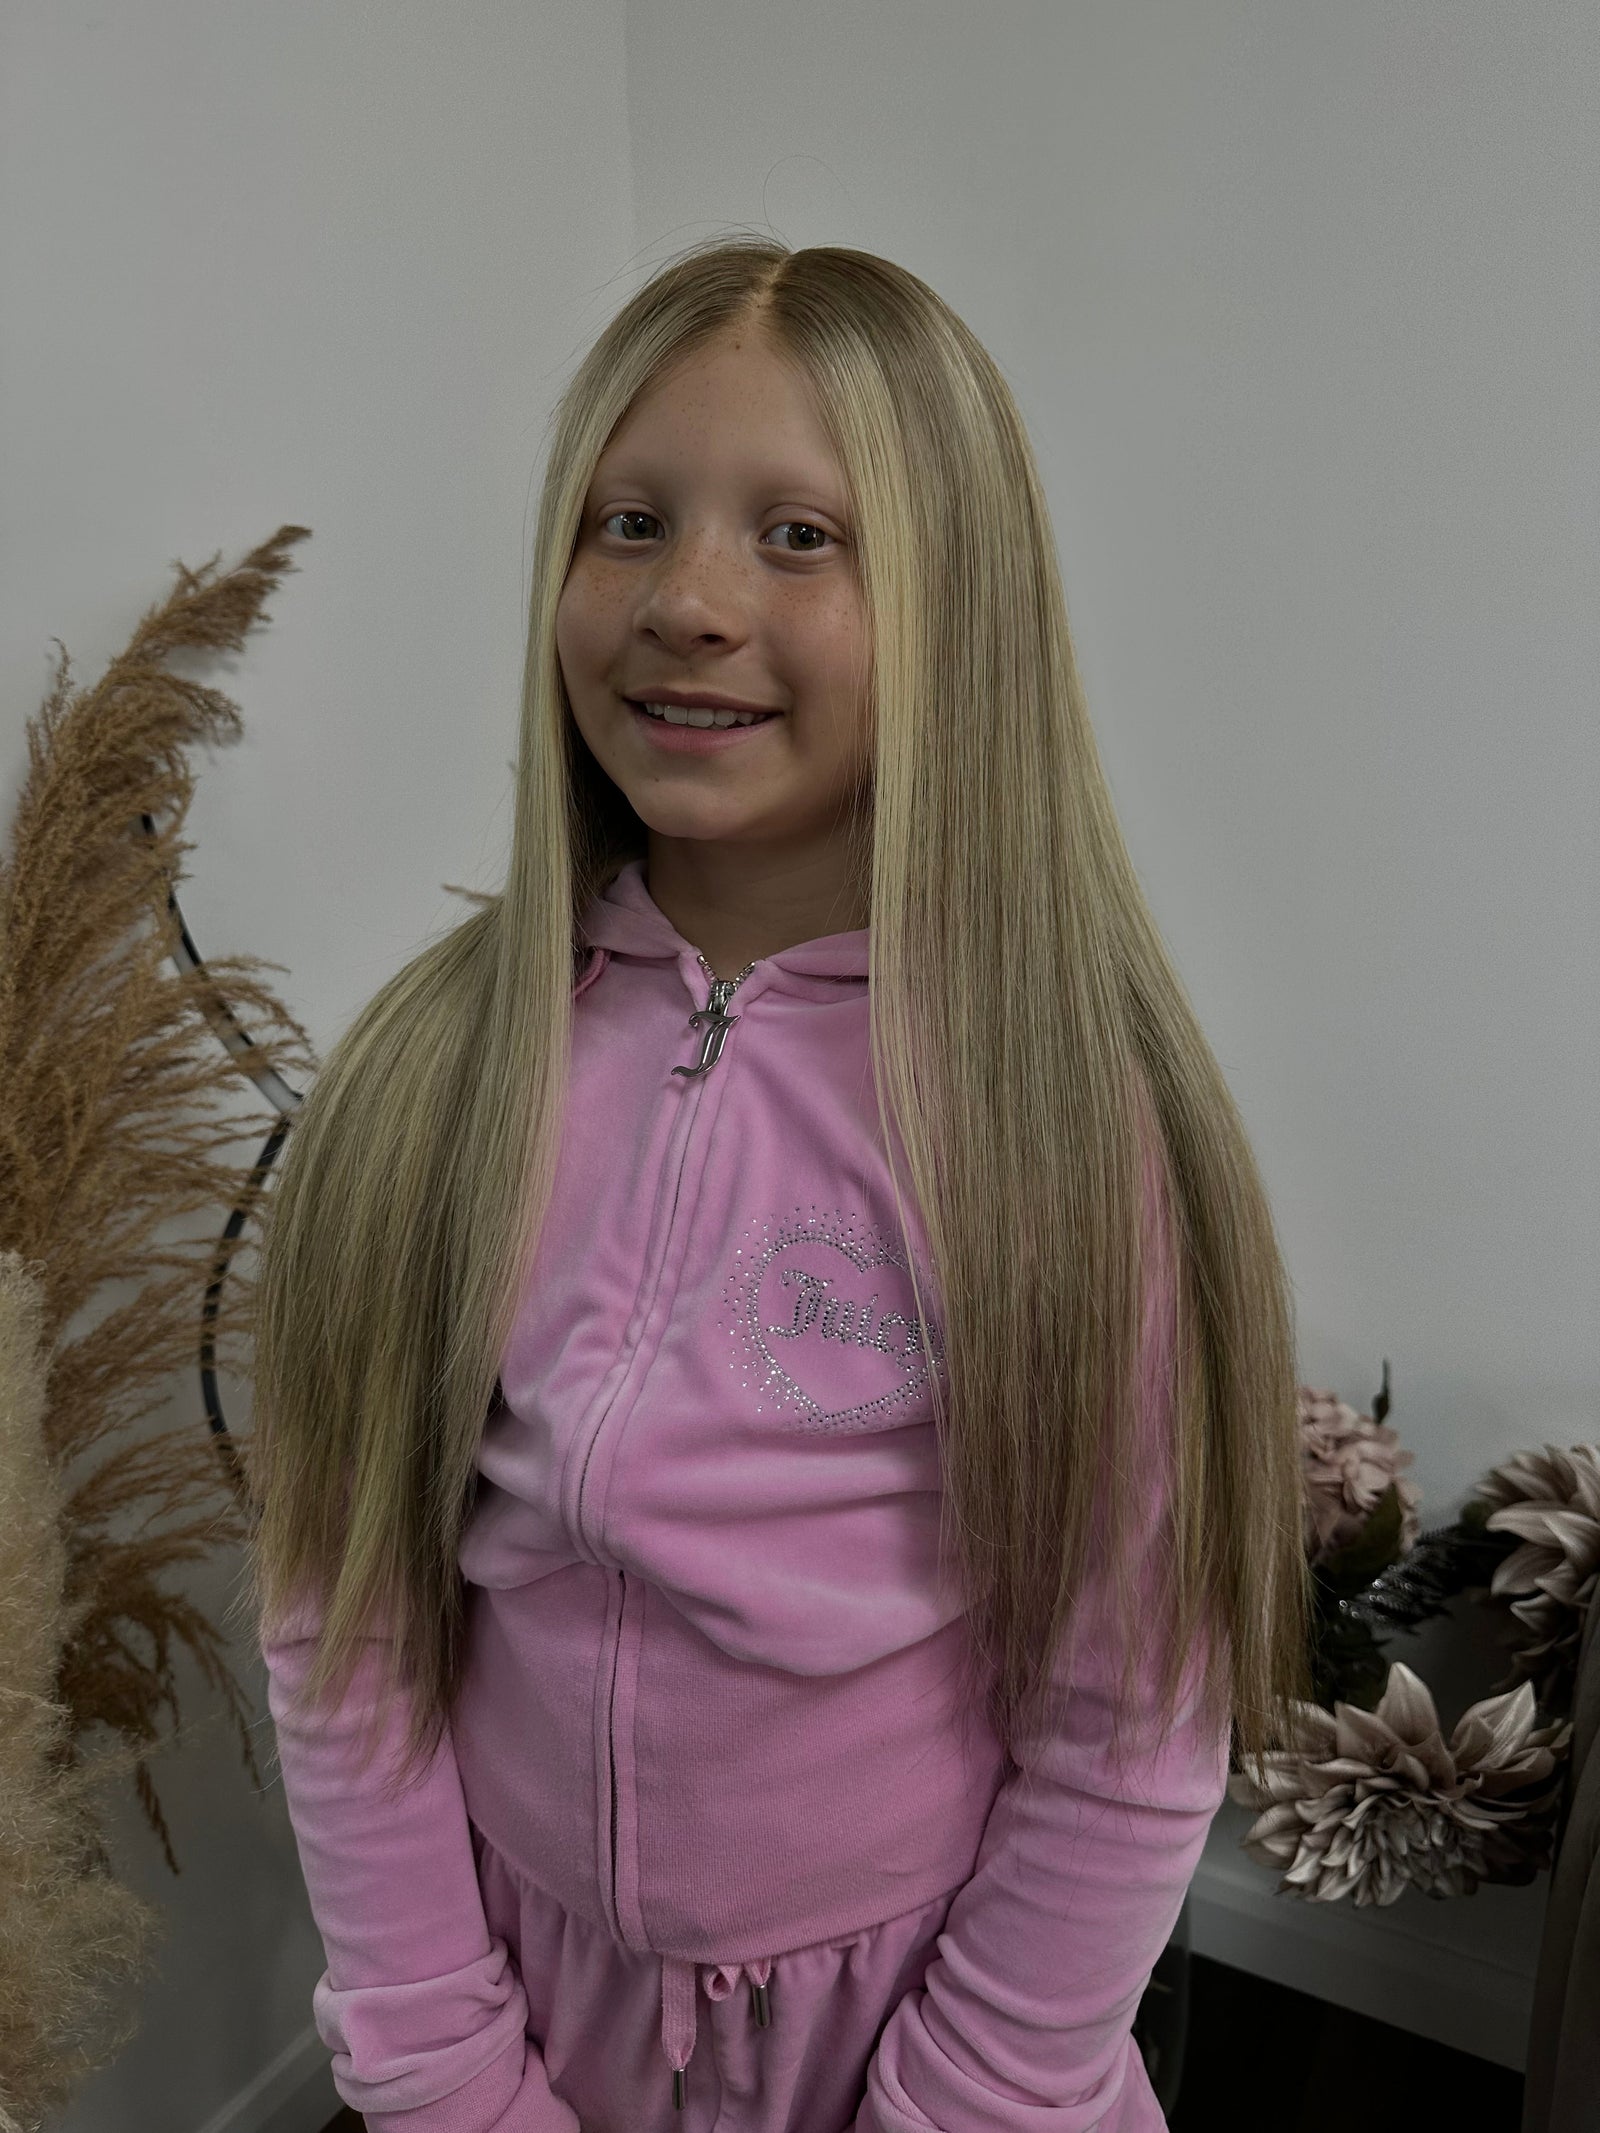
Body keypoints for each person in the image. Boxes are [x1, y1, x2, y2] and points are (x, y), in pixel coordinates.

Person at [238, 234, 1315, 2133]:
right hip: (528, 2028)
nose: (689, 602)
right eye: (629, 522)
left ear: (956, 605)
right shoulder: (439, 1071)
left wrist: (967, 2095)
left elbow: (1128, 1716)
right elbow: (349, 1622)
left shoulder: (1057, 1121)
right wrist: (443, 2068)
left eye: (799, 536)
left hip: (932, 2050)